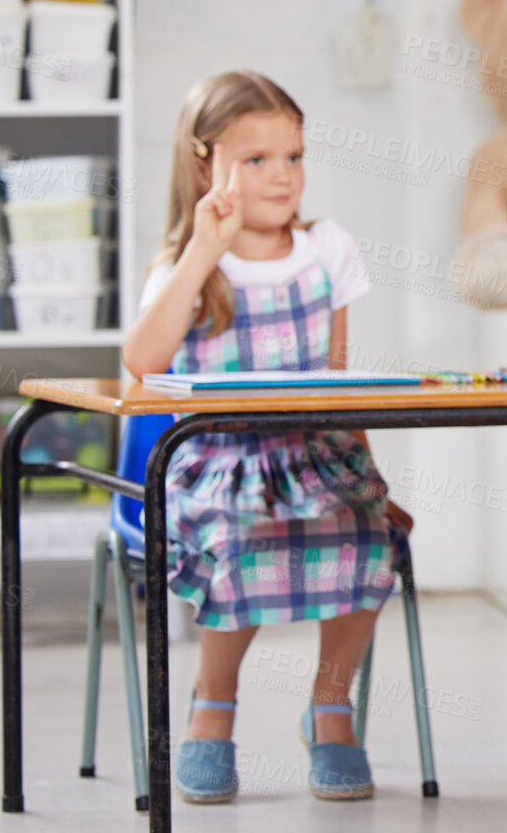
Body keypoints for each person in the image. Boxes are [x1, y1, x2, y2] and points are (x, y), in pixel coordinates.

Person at [124, 70, 406, 804]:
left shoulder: (326, 249)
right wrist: (202, 250)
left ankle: (331, 707)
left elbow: (340, 384)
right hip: (220, 464)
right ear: (204, 163)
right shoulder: (191, 267)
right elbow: (143, 363)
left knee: (366, 532)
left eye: (294, 156)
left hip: (317, 454)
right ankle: (210, 710)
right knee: (241, 538)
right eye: (256, 160)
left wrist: (374, 482)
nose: (282, 176)